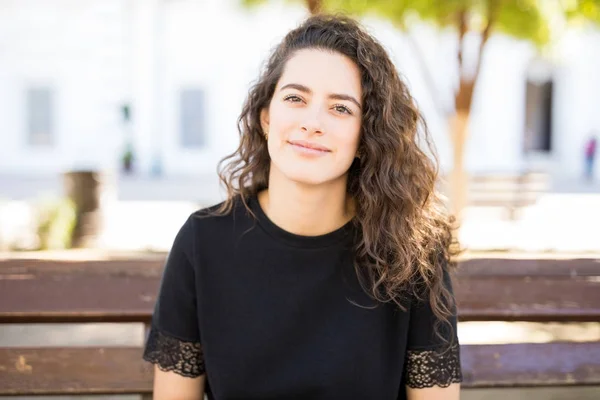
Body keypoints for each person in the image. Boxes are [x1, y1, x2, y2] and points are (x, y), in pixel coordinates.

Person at [143, 14, 462, 400]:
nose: (312, 123)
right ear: (265, 117)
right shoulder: (202, 242)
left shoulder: (412, 252)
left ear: (366, 137)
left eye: (340, 108)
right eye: (295, 98)